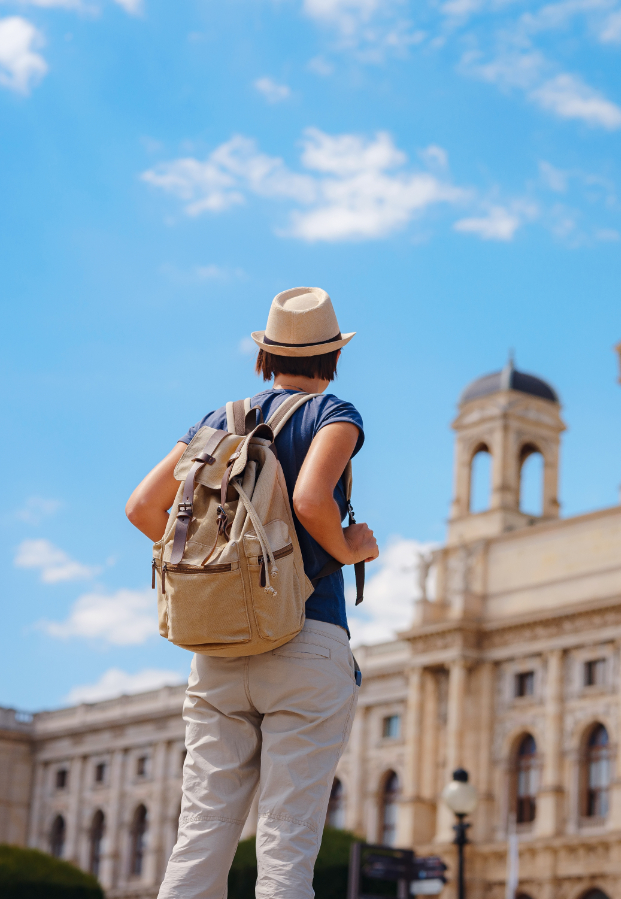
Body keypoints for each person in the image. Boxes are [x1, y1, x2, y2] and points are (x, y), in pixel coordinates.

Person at [125, 287, 379, 898]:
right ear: (332, 357)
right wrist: (351, 548)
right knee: (286, 845)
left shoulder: (215, 423)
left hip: (218, 649)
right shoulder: (334, 415)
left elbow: (141, 508)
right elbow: (310, 501)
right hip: (305, 638)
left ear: (265, 355)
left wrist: (224, 567)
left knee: (202, 832)